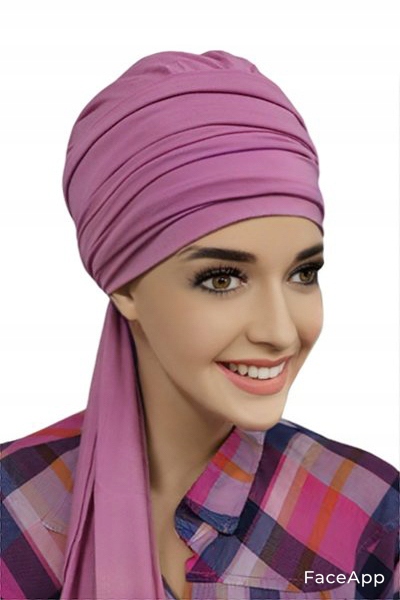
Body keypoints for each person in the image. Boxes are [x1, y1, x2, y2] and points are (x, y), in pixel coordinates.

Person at [0, 50, 398, 600]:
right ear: (123, 286)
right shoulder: (13, 504)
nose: (281, 332)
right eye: (223, 279)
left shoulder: (370, 517)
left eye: (303, 273)